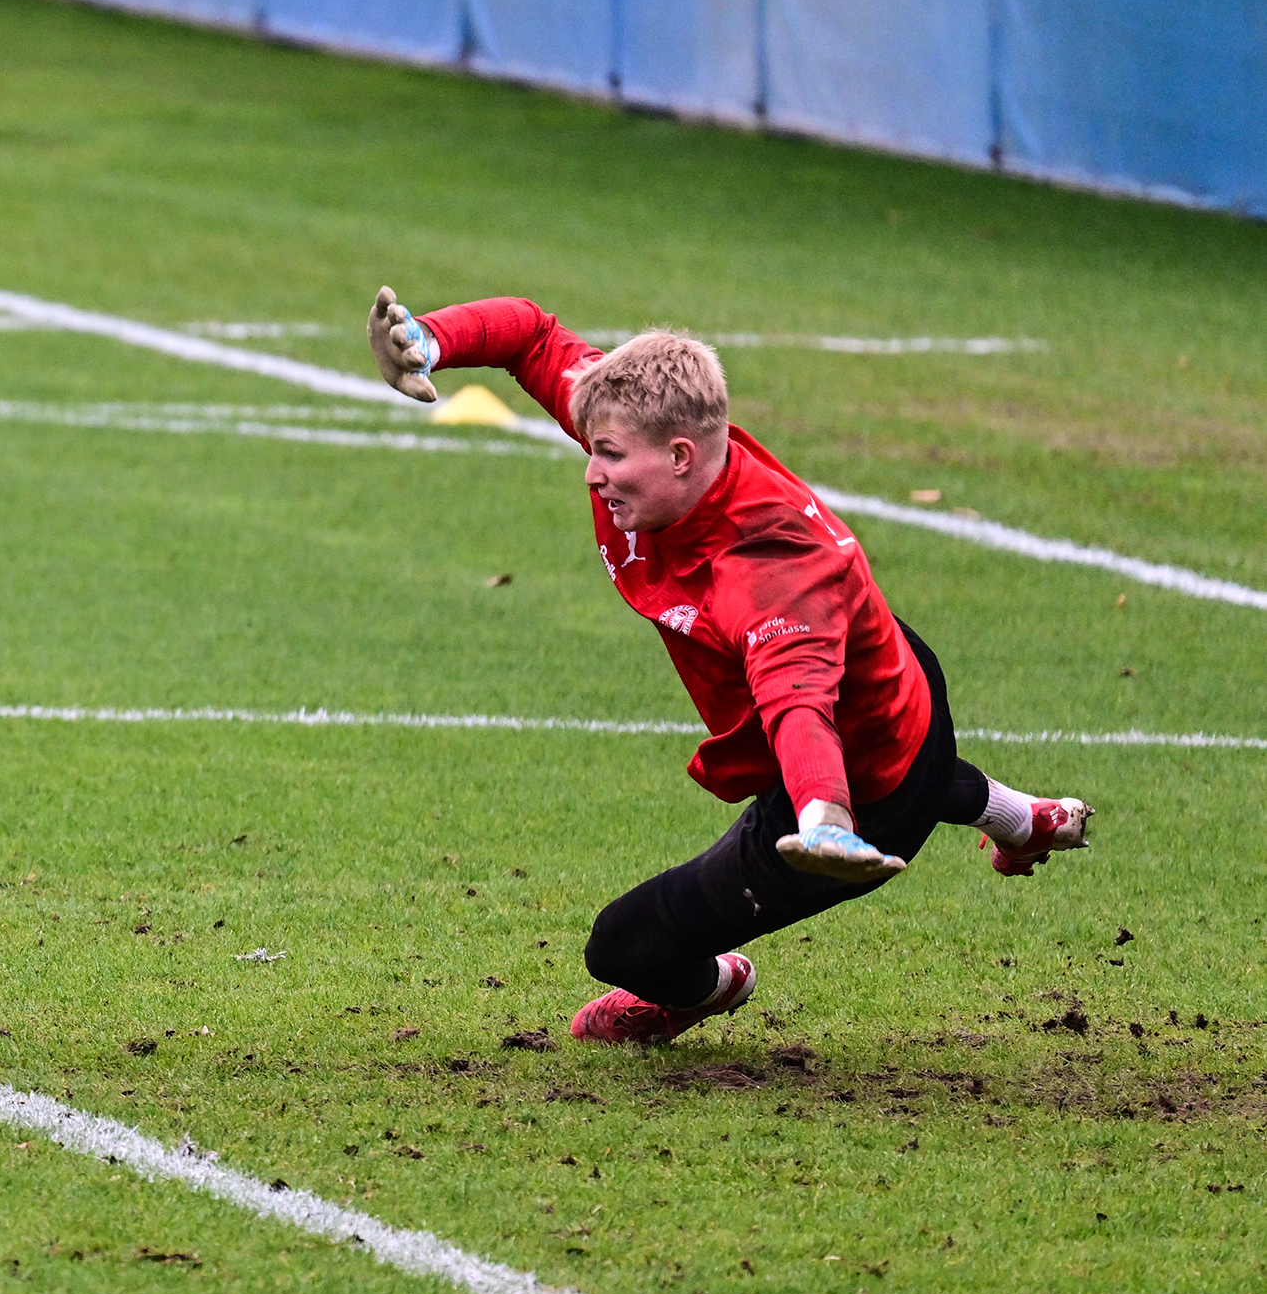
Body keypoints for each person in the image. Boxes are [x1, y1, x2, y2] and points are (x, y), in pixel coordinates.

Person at [366, 290, 1091, 1045]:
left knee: (622, 946)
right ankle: (1024, 820)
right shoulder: (639, 423)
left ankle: (710, 988)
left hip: (866, 791)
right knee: (880, 733)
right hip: (895, 677)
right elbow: (532, 335)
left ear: (681, 455)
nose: (592, 472)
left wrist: (826, 822)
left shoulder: (769, 568)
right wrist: (429, 340)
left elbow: (798, 704)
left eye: (609, 456)